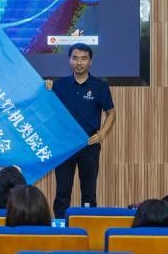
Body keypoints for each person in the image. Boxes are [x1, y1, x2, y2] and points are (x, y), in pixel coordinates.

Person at [45, 43, 116, 218]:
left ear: (90, 62)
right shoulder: (59, 85)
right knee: (62, 192)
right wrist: (46, 88)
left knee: (89, 192)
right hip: (65, 147)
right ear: (69, 60)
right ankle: (61, 226)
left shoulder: (100, 86)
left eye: (84, 59)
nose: (79, 62)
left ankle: (88, 224)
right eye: (75, 58)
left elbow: (111, 113)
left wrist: (102, 134)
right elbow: (46, 109)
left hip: (89, 145)